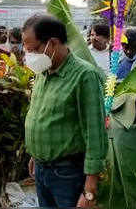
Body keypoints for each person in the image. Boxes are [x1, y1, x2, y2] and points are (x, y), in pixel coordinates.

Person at [23, 15, 108, 208]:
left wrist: (90, 188)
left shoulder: (84, 75)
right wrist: (36, 155)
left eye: (33, 49)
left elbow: (95, 133)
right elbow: (41, 115)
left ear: (52, 43)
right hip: (42, 169)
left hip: (67, 173)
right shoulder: (44, 72)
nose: (30, 55)